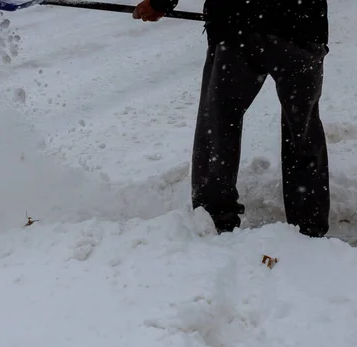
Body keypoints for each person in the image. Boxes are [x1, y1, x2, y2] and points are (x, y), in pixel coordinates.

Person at [132, 0, 331, 238]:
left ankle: (213, 218)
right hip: (300, 27)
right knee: (302, 128)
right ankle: (308, 224)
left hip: (238, 25)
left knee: (218, 122)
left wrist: (159, 3)